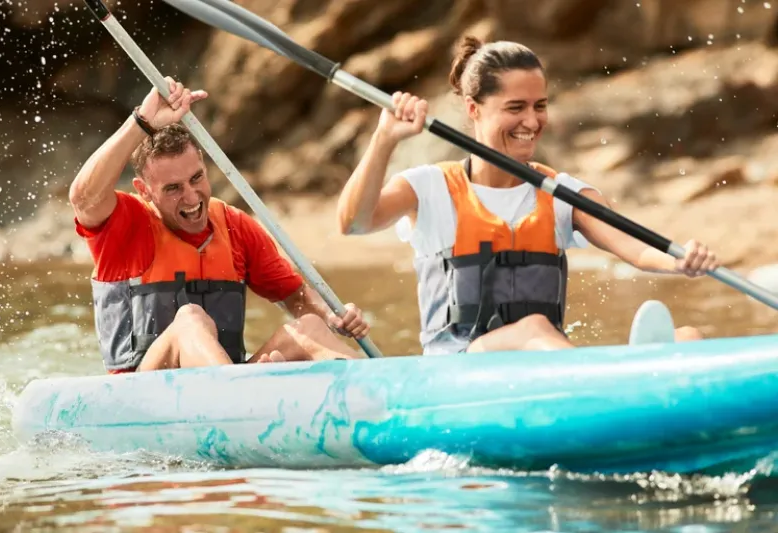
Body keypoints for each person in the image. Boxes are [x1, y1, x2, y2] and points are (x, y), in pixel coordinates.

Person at [336, 36, 719, 355]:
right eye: (515, 108)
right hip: (457, 372)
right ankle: (602, 388)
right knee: (532, 327)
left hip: (540, 370)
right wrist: (384, 139)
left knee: (689, 339)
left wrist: (680, 261)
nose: (532, 122)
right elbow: (353, 222)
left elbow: (635, 247)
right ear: (474, 109)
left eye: (540, 106)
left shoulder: (562, 193)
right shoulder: (428, 187)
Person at [70, 77, 370, 373]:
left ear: (204, 166)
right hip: (140, 394)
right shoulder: (126, 224)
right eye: (173, 188)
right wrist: (142, 122)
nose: (191, 197)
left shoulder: (235, 226)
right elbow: (83, 198)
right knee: (190, 320)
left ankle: (382, 399)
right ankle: (244, 394)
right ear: (145, 190)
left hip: (224, 381)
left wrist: (333, 317)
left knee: (310, 328)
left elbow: (296, 297)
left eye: (196, 178)